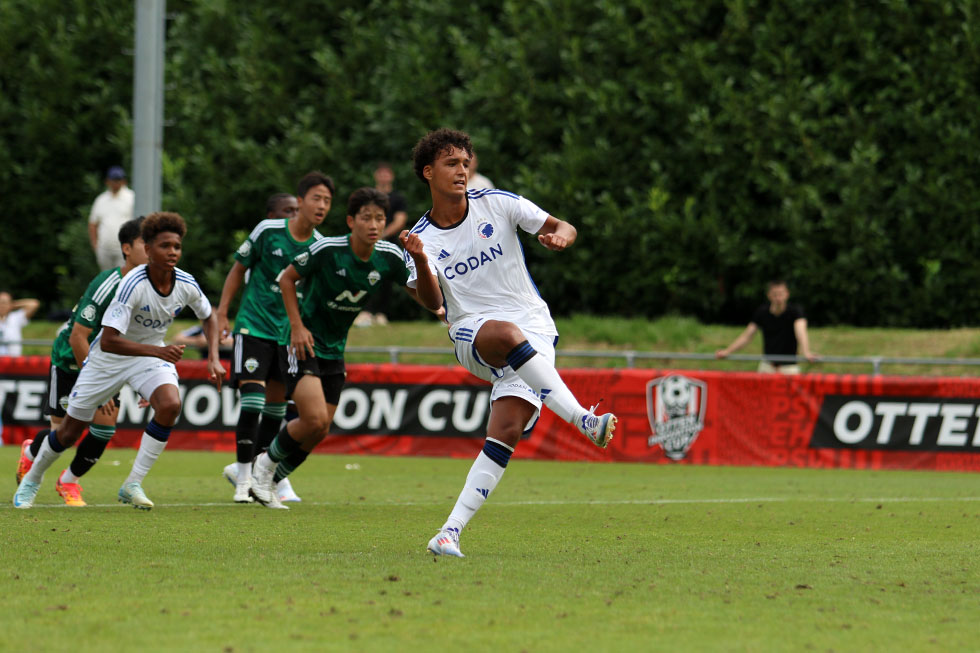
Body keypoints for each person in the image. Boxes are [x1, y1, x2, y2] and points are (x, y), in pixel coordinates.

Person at [400, 128, 617, 557]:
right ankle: (583, 420)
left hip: (534, 328)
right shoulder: (419, 238)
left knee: (506, 431)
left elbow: (563, 225)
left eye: (465, 163)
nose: (462, 170)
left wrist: (561, 238)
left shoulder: (498, 203)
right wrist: (423, 260)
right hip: (471, 332)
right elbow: (431, 301)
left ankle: (449, 533)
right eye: (451, 163)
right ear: (428, 172)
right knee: (503, 332)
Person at [13, 212, 225, 510]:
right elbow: (109, 340)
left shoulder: (186, 283)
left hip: (149, 353)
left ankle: (131, 483)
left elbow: (209, 316)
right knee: (68, 432)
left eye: (176, 246)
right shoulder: (130, 285)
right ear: (147, 249)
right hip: (108, 358)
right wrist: (160, 353)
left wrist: (213, 359)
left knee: (170, 405)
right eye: (164, 246)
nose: (173, 252)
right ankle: (33, 479)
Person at [248, 186, 415, 510]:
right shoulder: (328, 249)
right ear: (351, 221)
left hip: (334, 350)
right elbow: (286, 279)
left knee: (321, 428)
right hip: (301, 342)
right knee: (311, 420)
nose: (373, 225)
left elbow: (416, 289)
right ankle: (262, 468)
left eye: (380, 219)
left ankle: (269, 479)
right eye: (366, 218)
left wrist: (440, 306)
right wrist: (296, 327)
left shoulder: (389, 257)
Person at [16, 217, 148, 506]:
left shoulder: (150, 287)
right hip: (71, 360)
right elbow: (78, 337)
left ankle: (69, 482)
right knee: (63, 433)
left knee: (104, 429)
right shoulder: (108, 283)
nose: (152, 249)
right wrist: (96, 386)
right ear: (126, 248)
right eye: (144, 243)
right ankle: (30, 453)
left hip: (106, 365)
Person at [214, 182, 327, 504]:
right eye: (314, 199)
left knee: (276, 411)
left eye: (326, 201)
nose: (319, 206)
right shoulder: (267, 230)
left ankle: (254, 474)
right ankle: (243, 477)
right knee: (252, 402)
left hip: (286, 335)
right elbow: (238, 270)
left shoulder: (320, 246)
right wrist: (223, 313)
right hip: (254, 325)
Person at [715, 280, 817, 374]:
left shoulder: (796, 311)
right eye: (775, 295)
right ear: (769, 296)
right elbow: (746, 336)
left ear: (787, 294)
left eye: (781, 294)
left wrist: (806, 351)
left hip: (789, 367)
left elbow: (801, 332)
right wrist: (727, 351)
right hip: (767, 367)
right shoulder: (762, 312)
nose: (778, 298)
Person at [354, 162, 410, 327]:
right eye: (381, 173)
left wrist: (382, 234)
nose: (384, 177)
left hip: (389, 242)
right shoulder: (367, 197)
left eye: (387, 173)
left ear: (391, 176)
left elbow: (400, 220)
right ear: (376, 176)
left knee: (386, 279)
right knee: (365, 275)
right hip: (367, 241)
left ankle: (381, 314)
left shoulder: (398, 198)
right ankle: (365, 312)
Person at [89, 166, 136, 271]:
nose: (116, 183)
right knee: (107, 280)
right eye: (113, 180)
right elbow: (93, 223)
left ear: (123, 181)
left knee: (123, 279)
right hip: (104, 249)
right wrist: (95, 246)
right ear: (107, 181)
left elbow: (137, 223)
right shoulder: (101, 199)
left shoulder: (131, 197)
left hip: (124, 248)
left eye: (118, 180)